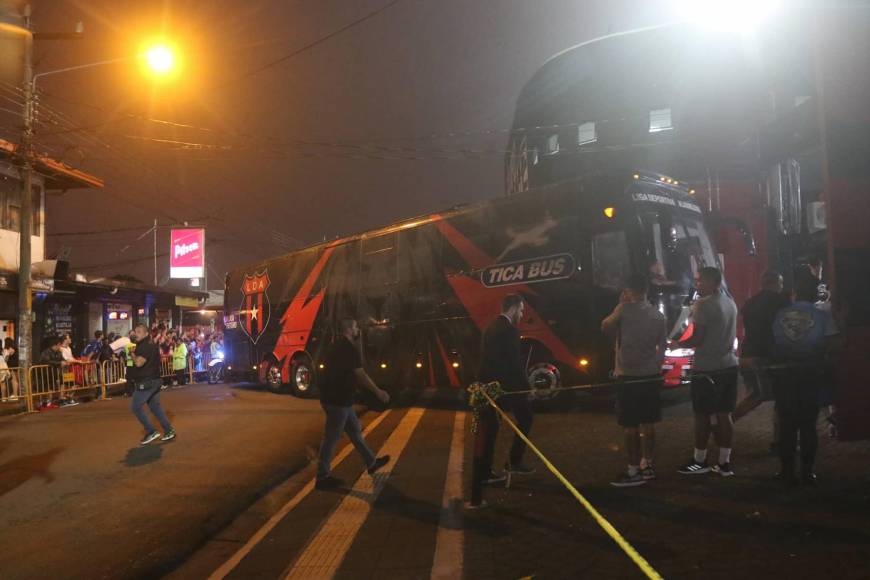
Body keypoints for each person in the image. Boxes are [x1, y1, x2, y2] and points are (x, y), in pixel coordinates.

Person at [770, 270, 839, 486]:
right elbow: (834, 344)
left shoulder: (781, 314)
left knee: (787, 425)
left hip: (784, 374)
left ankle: (787, 472)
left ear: (794, 294)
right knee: (808, 425)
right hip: (811, 374)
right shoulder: (821, 317)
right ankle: (808, 472)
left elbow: (775, 342)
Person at [469, 293, 534, 509]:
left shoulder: (490, 327)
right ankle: (513, 462)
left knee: (491, 428)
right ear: (514, 308)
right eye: (522, 310)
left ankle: (487, 471)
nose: (522, 314)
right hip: (506, 387)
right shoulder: (510, 331)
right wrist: (527, 388)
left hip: (489, 385)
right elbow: (514, 364)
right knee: (525, 419)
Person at [601, 274, 667, 487]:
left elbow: (605, 327)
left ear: (628, 291)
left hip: (627, 375)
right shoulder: (658, 315)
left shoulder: (624, 309)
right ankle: (647, 465)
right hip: (650, 374)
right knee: (649, 423)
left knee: (630, 425)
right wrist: (655, 365)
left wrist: (620, 305)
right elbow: (662, 346)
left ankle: (632, 471)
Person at [677, 267, 739, 477]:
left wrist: (676, 344)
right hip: (729, 365)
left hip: (707, 368)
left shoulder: (703, 305)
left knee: (702, 415)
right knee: (725, 414)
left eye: (700, 281)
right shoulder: (730, 302)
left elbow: (697, 338)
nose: (697, 284)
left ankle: (699, 460)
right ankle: (724, 462)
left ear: (713, 282)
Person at [315, 318, 390, 490]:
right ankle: (322, 477)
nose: (358, 330)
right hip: (338, 401)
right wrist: (379, 392)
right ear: (349, 329)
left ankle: (371, 463)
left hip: (339, 400)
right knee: (331, 439)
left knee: (355, 433)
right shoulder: (349, 349)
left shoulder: (335, 345)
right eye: (356, 327)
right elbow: (360, 375)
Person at [733, 270, 790, 452]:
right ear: (775, 284)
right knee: (779, 398)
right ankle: (779, 441)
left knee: (755, 395)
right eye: (780, 284)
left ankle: (724, 423)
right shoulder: (781, 302)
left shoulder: (750, 303)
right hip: (768, 356)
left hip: (748, 354)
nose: (781, 287)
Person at [128, 323, 175, 445]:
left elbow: (139, 363)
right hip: (155, 380)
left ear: (146, 333)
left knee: (136, 407)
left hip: (146, 382)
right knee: (155, 407)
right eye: (135, 331)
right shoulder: (152, 345)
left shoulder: (144, 346)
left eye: (139, 332)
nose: (135, 334)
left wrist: (132, 353)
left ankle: (151, 431)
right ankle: (169, 430)